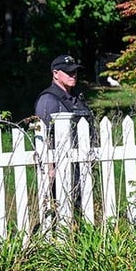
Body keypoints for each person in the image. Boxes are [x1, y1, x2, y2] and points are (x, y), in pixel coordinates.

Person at [34, 54, 93, 212]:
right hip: (61, 169)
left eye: (75, 72)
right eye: (69, 72)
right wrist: (50, 168)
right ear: (55, 73)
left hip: (81, 165)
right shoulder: (48, 99)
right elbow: (42, 135)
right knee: (62, 212)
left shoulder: (74, 97)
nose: (73, 75)